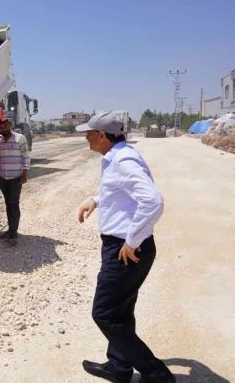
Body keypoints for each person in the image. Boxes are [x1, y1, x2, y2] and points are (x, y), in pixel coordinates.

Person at [75, 111, 174, 383]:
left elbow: (153, 201)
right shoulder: (117, 156)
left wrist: (132, 240)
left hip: (126, 249)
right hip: (123, 246)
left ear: (102, 135)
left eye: (89, 133)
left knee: (105, 313)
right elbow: (119, 190)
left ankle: (158, 375)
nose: (86, 138)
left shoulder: (123, 160)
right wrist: (96, 200)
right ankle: (119, 367)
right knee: (120, 310)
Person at [0, 117, 29, 246]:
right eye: (0, 127)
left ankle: (13, 231)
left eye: (4, 126)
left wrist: (24, 174)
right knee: (8, 203)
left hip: (16, 177)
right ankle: (10, 229)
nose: (2, 129)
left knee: (14, 203)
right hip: (3, 177)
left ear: (9, 125)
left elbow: (26, 157)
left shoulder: (20, 138)